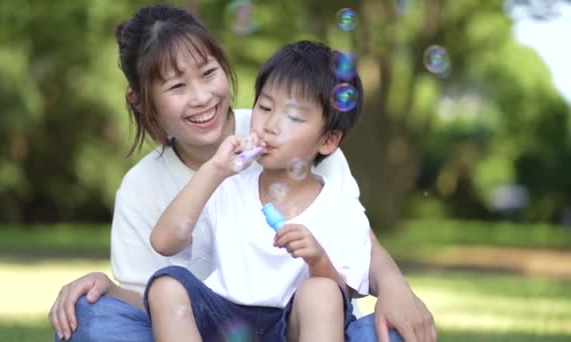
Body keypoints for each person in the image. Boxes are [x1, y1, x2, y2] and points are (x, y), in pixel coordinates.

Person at [48, 3, 436, 342]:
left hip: (299, 325)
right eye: (177, 85)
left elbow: (353, 266)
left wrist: (394, 286)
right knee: (95, 318)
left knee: (386, 331)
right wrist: (111, 290)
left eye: (207, 72)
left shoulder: (304, 150)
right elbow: (156, 279)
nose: (201, 97)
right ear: (143, 99)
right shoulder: (213, 180)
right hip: (210, 323)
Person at [147, 40, 370, 341]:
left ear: (328, 140)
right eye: (265, 107)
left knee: (322, 293)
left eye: (293, 117)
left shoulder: (343, 212)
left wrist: (318, 260)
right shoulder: (226, 187)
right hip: (223, 322)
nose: (270, 125)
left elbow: (342, 298)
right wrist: (214, 169)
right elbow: (163, 242)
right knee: (166, 286)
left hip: (291, 328)